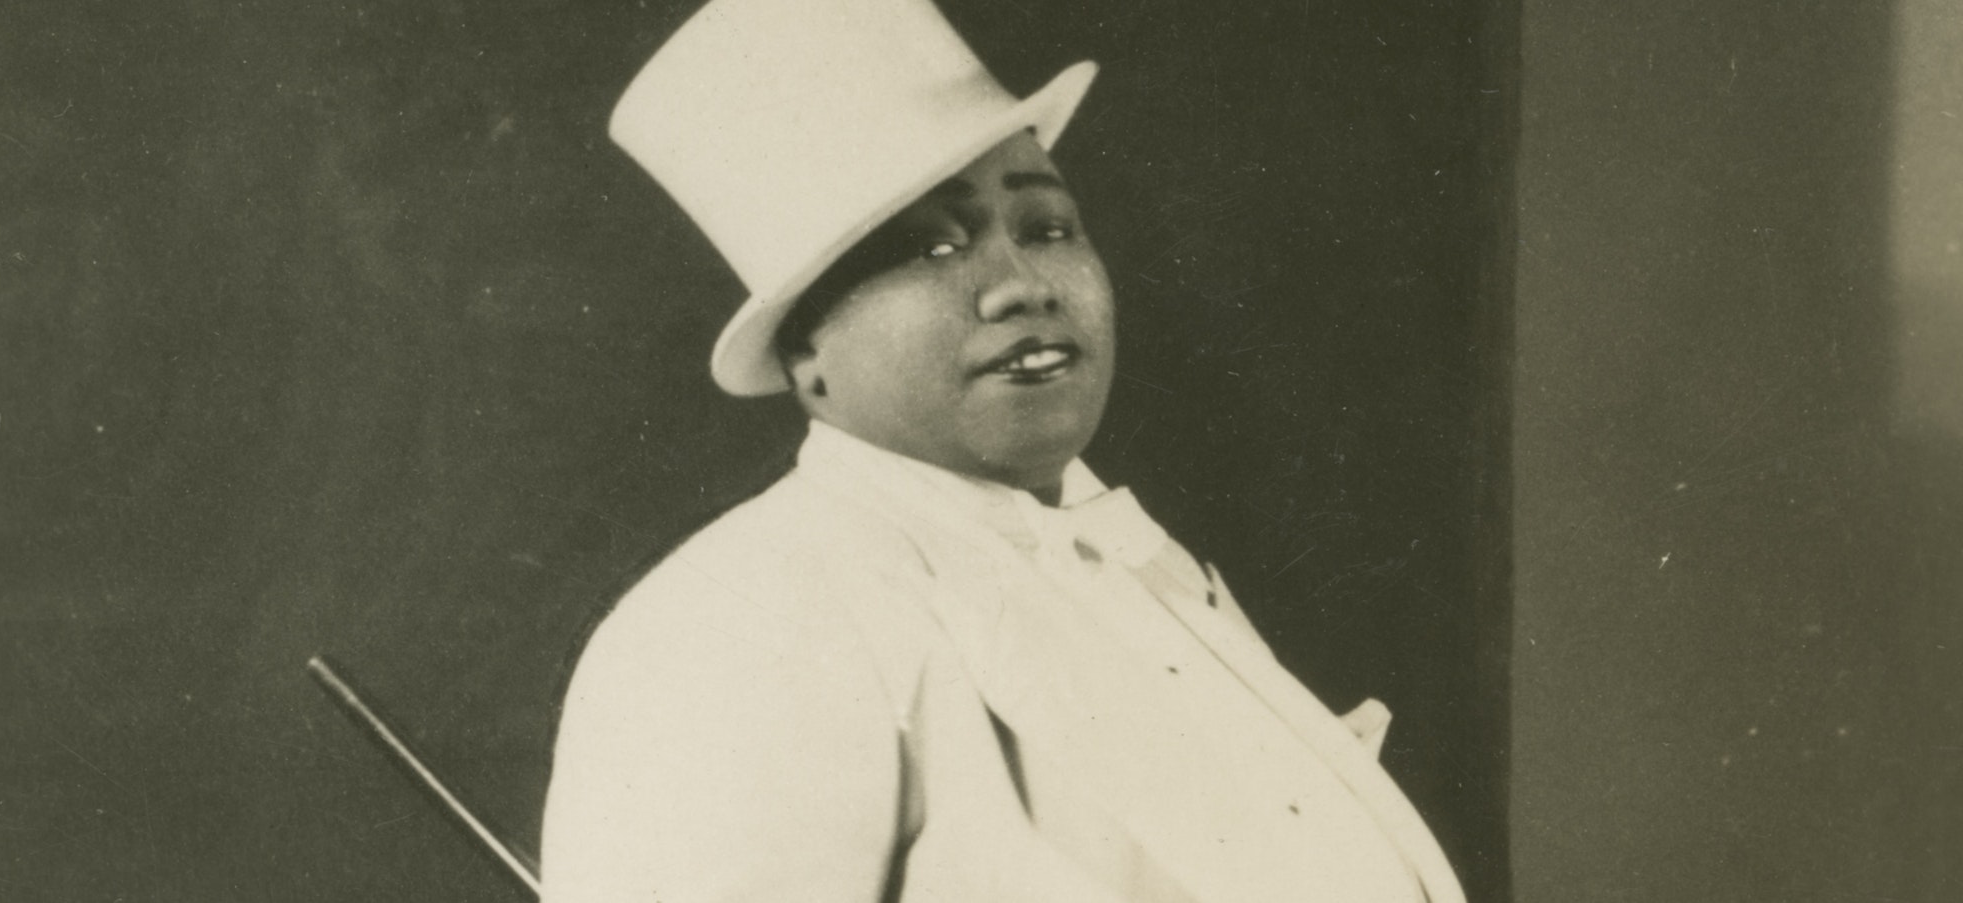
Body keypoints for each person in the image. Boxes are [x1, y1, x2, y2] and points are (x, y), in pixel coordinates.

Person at [538, 1, 1467, 901]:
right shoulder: (737, 620)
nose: (1020, 285)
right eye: (931, 251)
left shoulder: (1146, 571)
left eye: (1048, 228)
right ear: (808, 354)